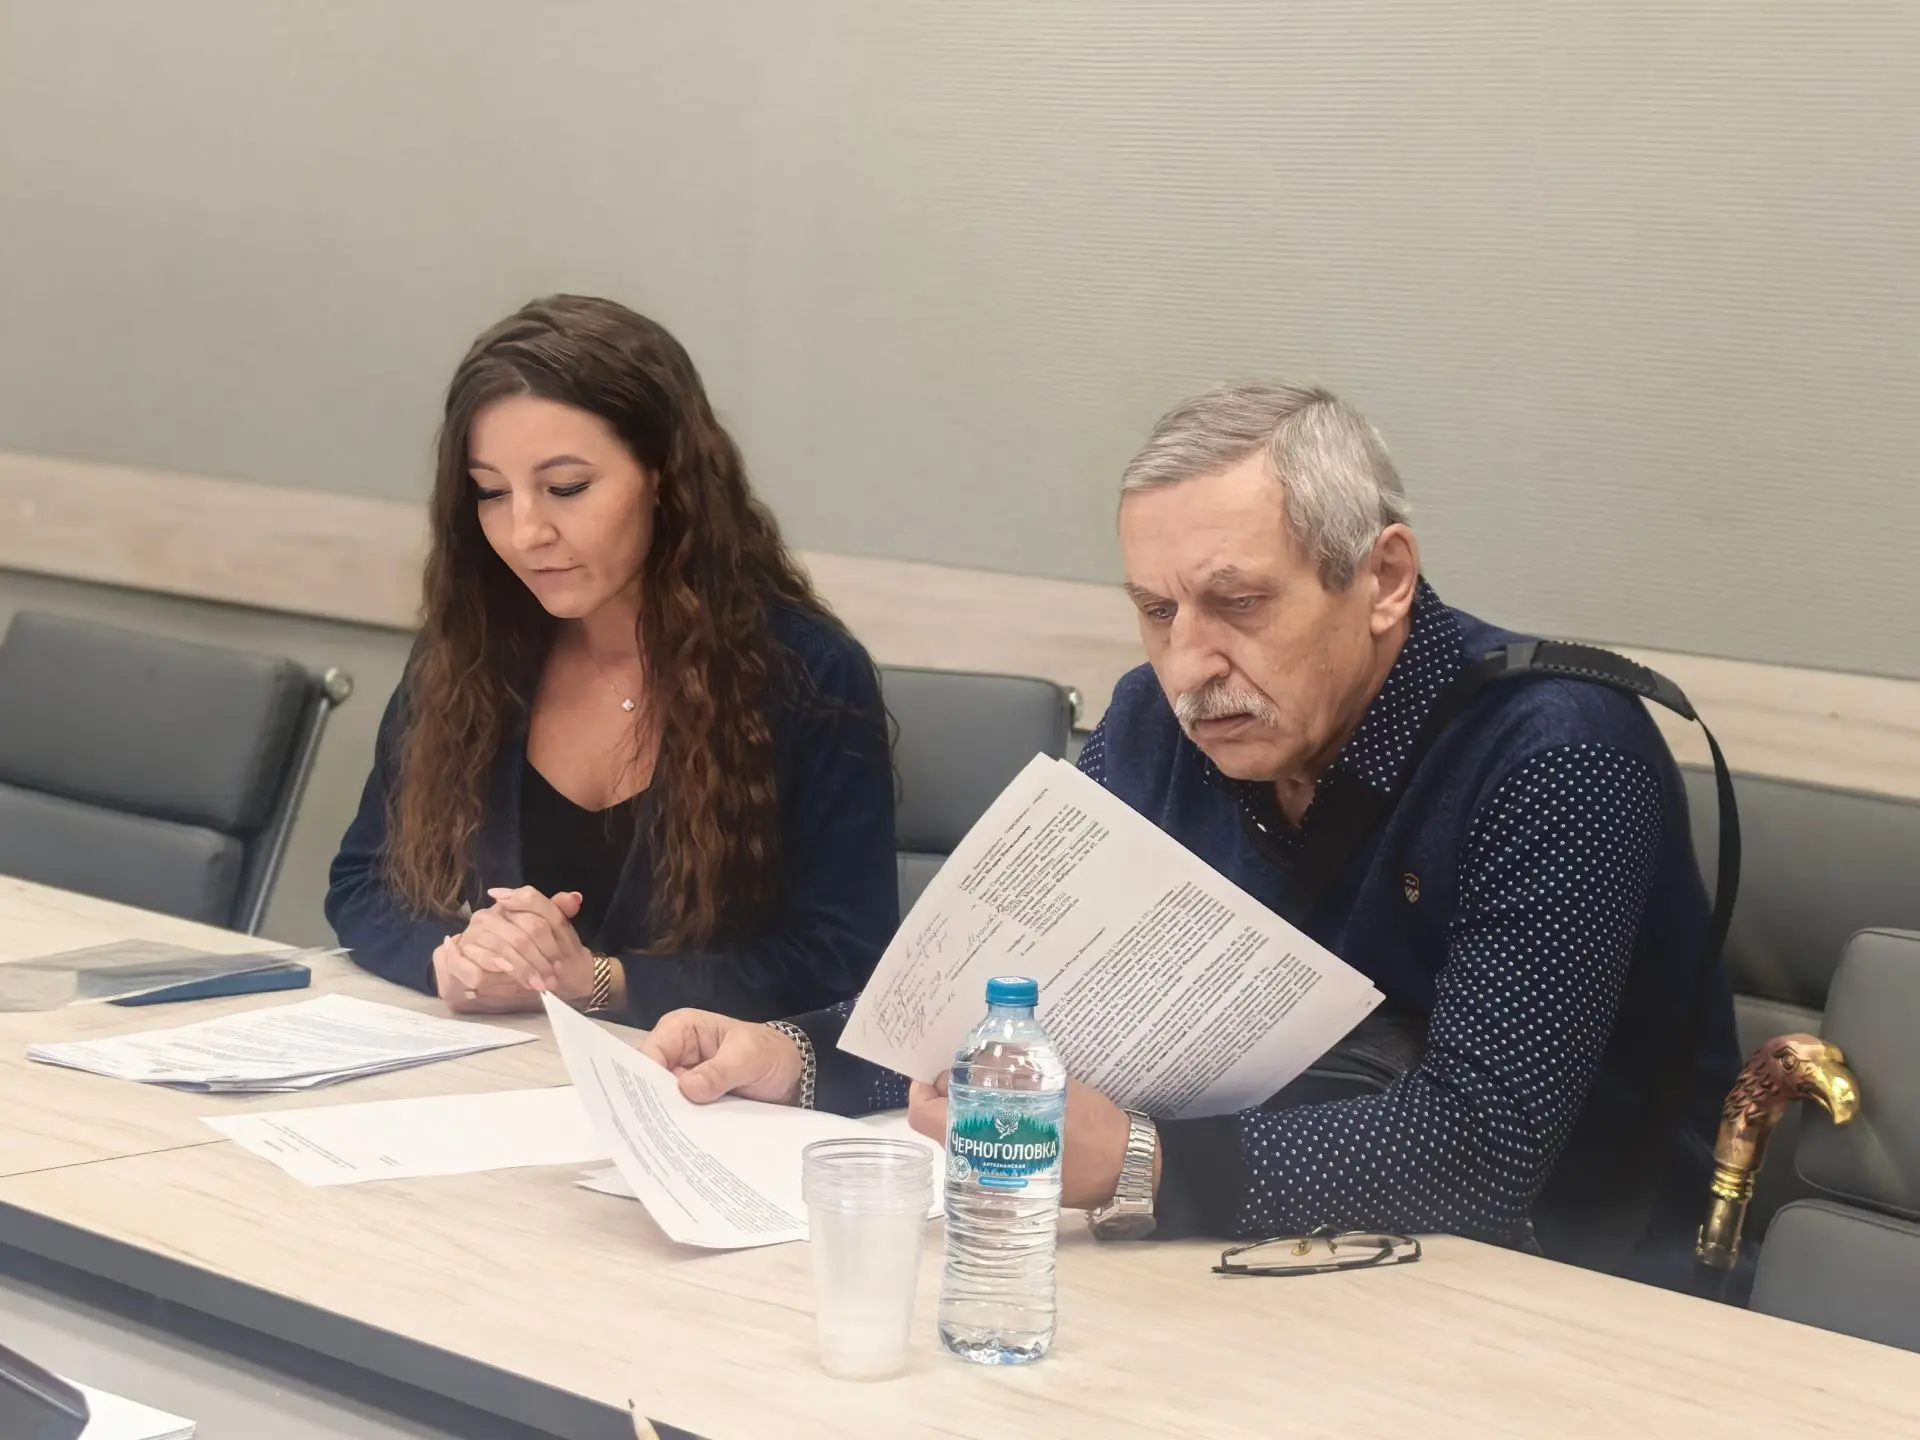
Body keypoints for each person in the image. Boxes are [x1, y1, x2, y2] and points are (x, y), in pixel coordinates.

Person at [638, 381, 1740, 1285]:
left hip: (1556, 1291)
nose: (1187, 666)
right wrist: (797, 1055)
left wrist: (1141, 1163)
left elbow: (1483, 1145)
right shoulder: (1153, 725)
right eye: (1158, 611)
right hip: (1250, 1257)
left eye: (1238, 604)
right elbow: (1007, 991)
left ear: (1384, 580)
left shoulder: (1558, 756)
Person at [326, 295, 897, 1027]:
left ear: (664, 476)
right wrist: (455, 958)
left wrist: (603, 982)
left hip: (692, 1082)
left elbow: (842, 957)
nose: (525, 533)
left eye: (566, 488)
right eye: (491, 493)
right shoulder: (469, 650)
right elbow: (363, 883)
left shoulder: (805, 671)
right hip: (497, 1071)